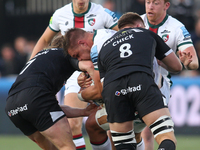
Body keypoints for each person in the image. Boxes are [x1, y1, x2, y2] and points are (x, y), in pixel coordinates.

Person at [63, 12, 183, 150]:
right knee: (165, 137)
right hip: (144, 86)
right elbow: (176, 67)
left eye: (77, 55)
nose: (80, 60)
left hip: (117, 90)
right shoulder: (145, 34)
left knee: (102, 131)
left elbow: (101, 90)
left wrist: (81, 94)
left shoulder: (102, 47)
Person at [30, 0, 118, 149]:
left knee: (113, 125)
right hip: (74, 73)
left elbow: (123, 32)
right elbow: (45, 40)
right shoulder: (60, 15)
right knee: (72, 124)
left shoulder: (103, 13)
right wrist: (30, 66)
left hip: (101, 70)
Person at [5, 35, 98, 150]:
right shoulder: (64, 54)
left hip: (12, 106)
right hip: (34, 97)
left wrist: (83, 111)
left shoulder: (39, 59)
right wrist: (100, 89)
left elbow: (50, 109)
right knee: (67, 146)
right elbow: (89, 66)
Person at [140, 0, 199, 149]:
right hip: (133, 81)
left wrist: (186, 61)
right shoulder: (137, 22)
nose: (150, 6)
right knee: (123, 132)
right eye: (148, 2)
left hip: (158, 86)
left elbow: (194, 63)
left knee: (148, 131)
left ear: (166, 6)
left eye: (156, 3)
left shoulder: (176, 27)